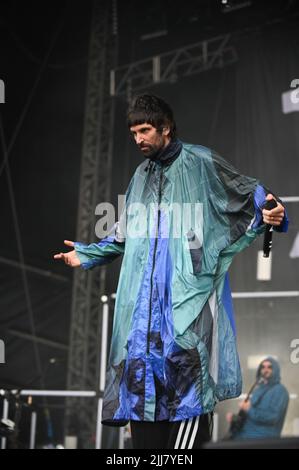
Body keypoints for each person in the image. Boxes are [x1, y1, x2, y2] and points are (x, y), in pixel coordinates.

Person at [54, 94, 288, 449]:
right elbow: (123, 233)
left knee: (186, 431)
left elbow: (251, 191)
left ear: (165, 127)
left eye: (145, 130)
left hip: (184, 324)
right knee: (145, 439)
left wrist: (273, 210)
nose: (138, 139)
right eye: (133, 132)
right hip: (142, 334)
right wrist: (87, 254)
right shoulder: (140, 176)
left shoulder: (200, 161)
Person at [227, 357, 289, 440]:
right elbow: (251, 415)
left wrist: (249, 409)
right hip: (244, 435)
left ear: (276, 370)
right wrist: (235, 418)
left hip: (262, 438)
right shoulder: (258, 389)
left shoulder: (280, 391)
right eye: (263, 367)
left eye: (269, 367)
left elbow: (273, 417)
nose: (265, 369)